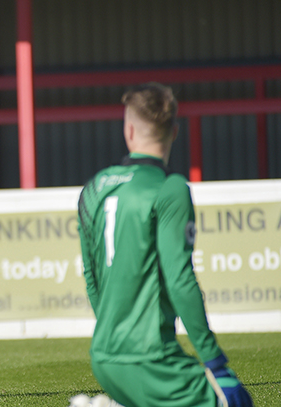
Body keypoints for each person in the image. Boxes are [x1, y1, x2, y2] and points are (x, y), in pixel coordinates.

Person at [76, 83, 253, 407]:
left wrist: (113, 334)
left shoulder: (94, 187)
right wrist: (214, 361)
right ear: (174, 132)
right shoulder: (170, 188)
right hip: (149, 356)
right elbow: (180, 278)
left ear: (129, 130)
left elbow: (90, 274)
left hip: (103, 356)